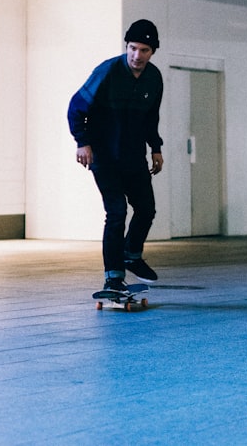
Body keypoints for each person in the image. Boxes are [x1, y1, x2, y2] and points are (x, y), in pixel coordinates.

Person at [67, 19, 164, 293]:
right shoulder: (107, 71)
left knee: (146, 209)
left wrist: (155, 147)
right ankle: (113, 276)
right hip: (105, 157)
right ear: (127, 46)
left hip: (134, 157)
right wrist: (82, 142)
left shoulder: (154, 79)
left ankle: (131, 255)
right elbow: (76, 108)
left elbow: (151, 118)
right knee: (117, 212)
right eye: (132, 48)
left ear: (153, 51)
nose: (137, 55)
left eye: (144, 50)